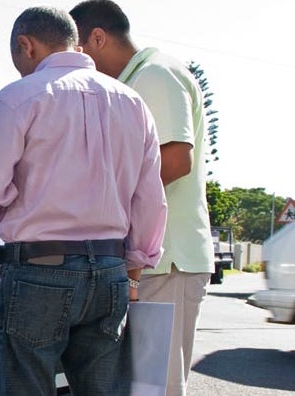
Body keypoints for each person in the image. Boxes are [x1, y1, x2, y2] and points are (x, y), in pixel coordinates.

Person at [0, 6, 167, 395]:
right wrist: (135, 265)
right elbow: (150, 198)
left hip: (38, 268)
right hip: (110, 271)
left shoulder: (17, 98)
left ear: (26, 45)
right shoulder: (132, 103)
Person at [70, 2, 215, 394]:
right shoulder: (132, 82)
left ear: (97, 39)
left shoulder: (154, 75)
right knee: (140, 385)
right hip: (150, 262)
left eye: (76, 53)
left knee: (157, 386)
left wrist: (105, 208)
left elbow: (174, 161)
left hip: (169, 262)